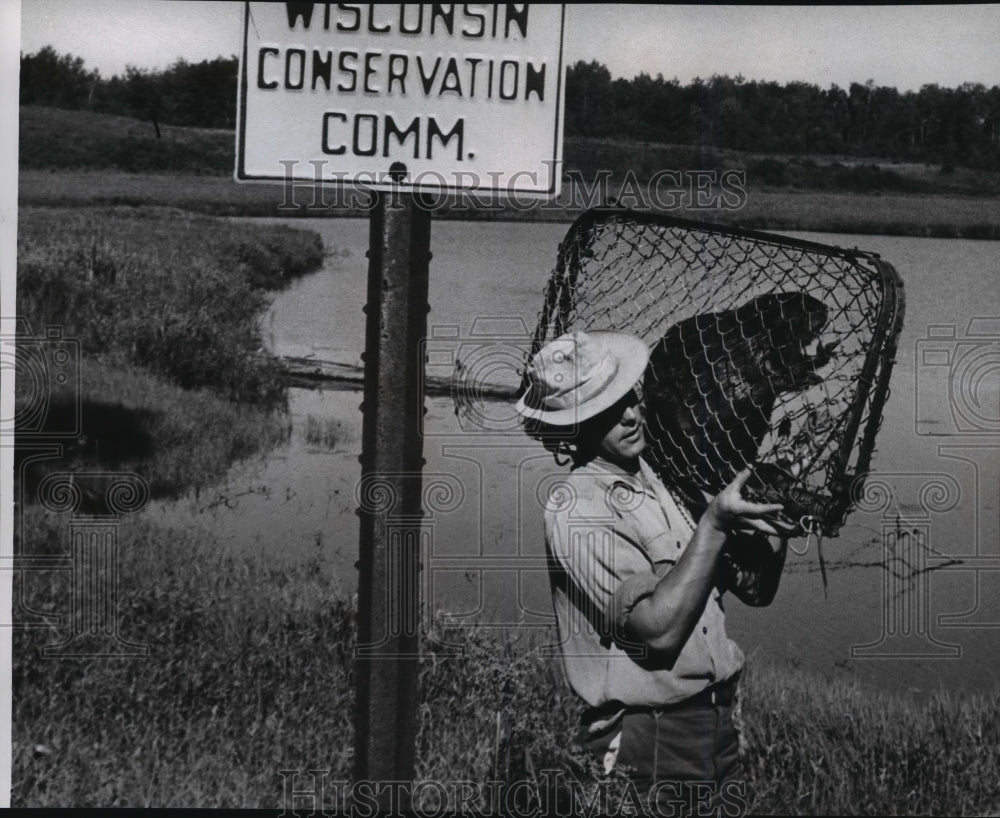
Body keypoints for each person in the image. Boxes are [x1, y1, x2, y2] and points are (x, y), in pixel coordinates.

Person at [514, 329, 790, 816]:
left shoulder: (665, 476)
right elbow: (657, 634)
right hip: (648, 739)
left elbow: (756, 588)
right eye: (602, 410)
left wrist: (783, 513)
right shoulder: (579, 508)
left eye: (629, 397)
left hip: (718, 725)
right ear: (569, 429)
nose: (629, 414)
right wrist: (716, 522)